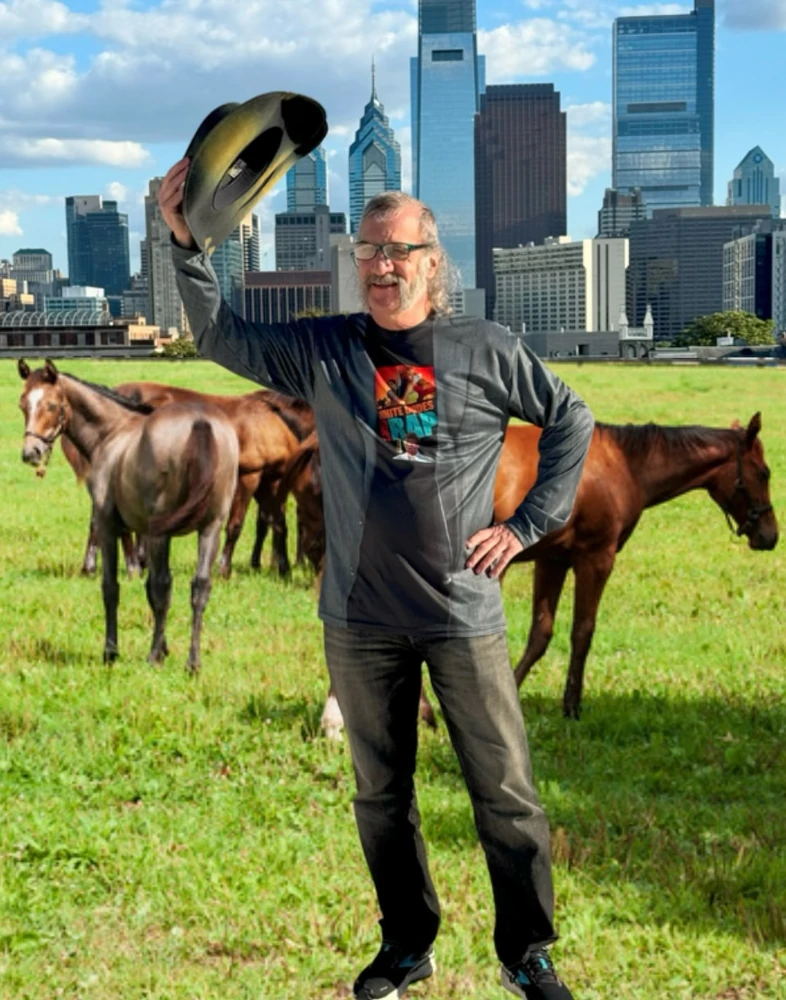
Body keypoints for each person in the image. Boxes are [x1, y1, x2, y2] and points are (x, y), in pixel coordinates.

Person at [159, 157, 594, 1000]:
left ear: (433, 261)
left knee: (506, 793)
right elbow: (222, 338)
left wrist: (525, 526)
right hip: (358, 621)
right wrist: (184, 246)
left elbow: (569, 419)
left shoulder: (484, 348)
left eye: (400, 251)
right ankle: (407, 945)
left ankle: (527, 952)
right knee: (380, 796)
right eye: (369, 252)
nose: (383, 265)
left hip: (462, 614)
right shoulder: (327, 347)